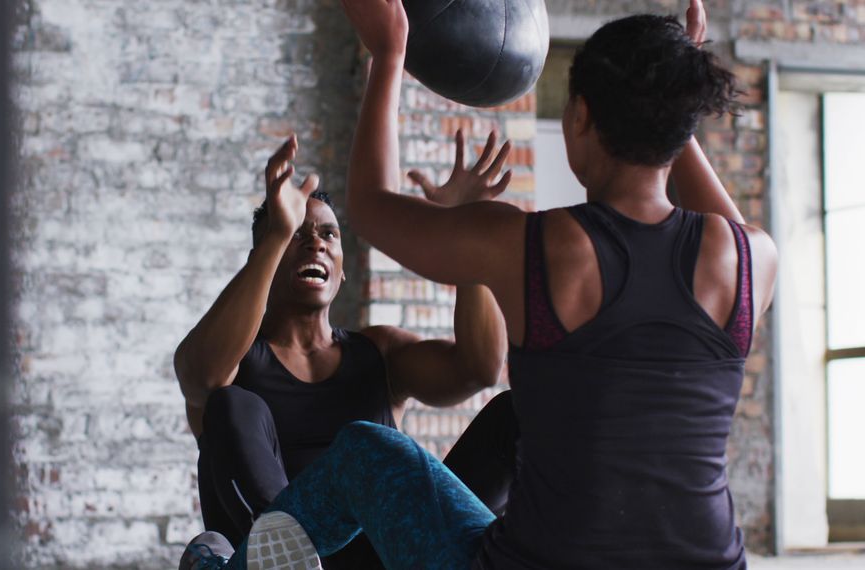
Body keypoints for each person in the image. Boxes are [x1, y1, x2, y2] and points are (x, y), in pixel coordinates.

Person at [182, 0, 778, 567]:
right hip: (711, 561)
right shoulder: (756, 259)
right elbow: (725, 224)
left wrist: (390, 53)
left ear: (580, 117)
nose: (316, 244)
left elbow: (370, 204)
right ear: (680, 125)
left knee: (367, 448)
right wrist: (679, 111)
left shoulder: (535, 245)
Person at [174, 132, 519, 569]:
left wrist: (468, 229)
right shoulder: (231, 360)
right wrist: (277, 231)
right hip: (280, 551)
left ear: (342, 274)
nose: (315, 242)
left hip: (380, 553)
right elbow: (199, 377)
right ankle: (284, 552)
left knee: (513, 415)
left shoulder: (381, 353)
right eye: (296, 233)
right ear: (265, 257)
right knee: (229, 403)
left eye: (328, 235)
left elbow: (479, 368)